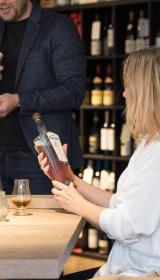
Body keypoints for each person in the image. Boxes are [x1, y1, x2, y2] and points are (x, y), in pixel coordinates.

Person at [39, 47, 160, 278]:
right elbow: (121, 204)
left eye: (129, 86)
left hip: (147, 273)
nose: (125, 94)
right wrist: (69, 178)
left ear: (148, 92)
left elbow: (128, 224)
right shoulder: (154, 142)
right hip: (132, 267)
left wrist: (78, 205)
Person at [0, 0, 86, 194]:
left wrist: (19, 100)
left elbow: (74, 91)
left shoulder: (57, 27)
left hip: (40, 160)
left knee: (45, 225)